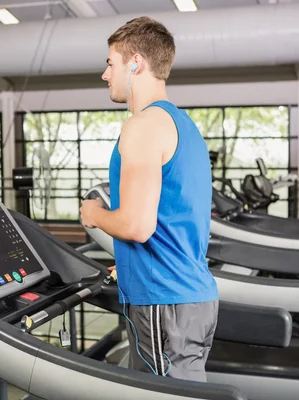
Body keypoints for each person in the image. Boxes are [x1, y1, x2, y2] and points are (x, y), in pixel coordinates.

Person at [79, 16, 218, 382]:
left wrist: (94, 213)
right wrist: (126, 266)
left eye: (111, 63)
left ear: (136, 63)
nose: (105, 74)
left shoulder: (142, 126)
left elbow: (137, 226)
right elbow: (173, 215)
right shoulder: (182, 125)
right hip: (190, 297)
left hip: (163, 301)